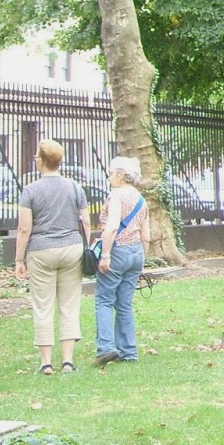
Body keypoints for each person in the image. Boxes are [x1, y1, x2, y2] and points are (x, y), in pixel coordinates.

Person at [15, 139, 90, 373]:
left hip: (41, 250)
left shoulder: (31, 190)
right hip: (71, 248)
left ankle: (46, 362)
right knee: (69, 305)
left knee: (42, 306)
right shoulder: (75, 187)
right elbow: (85, 220)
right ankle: (67, 360)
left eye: (37, 157)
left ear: (41, 161)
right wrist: (86, 244)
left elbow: (24, 228)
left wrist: (19, 259)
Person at [93, 156, 149, 368]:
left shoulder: (116, 195)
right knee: (124, 304)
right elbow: (146, 234)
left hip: (117, 251)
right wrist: (141, 260)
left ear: (120, 174)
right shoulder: (141, 199)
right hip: (136, 252)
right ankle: (129, 351)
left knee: (104, 300)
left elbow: (112, 226)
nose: (109, 177)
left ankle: (105, 347)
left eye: (111, 173)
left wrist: (105, 254)